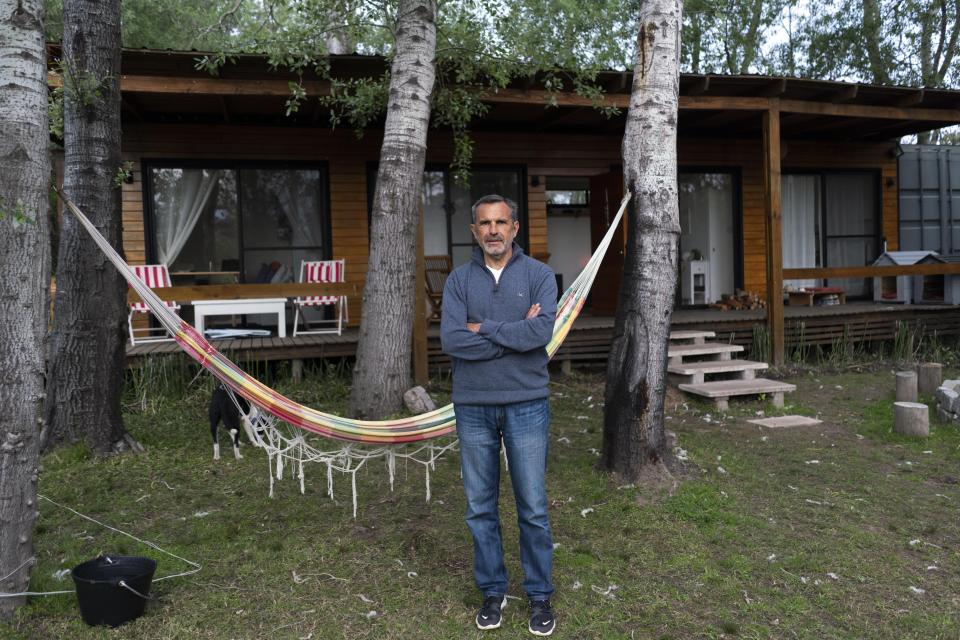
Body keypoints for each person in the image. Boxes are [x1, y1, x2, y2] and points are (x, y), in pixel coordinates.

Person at [440, 194, 558, 636]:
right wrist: (515, 335)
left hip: (527, 402)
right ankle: (493, 590)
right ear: (474, 232)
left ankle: (540, 595)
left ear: (515, 228)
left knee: (532, 506)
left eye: (500, 222)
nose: (493, 230)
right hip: (473, 406)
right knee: (479, 507)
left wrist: (484, 328)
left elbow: (541, 331)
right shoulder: (458, 282)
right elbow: (452, 341)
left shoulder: (540, 276)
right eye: (485, 224)